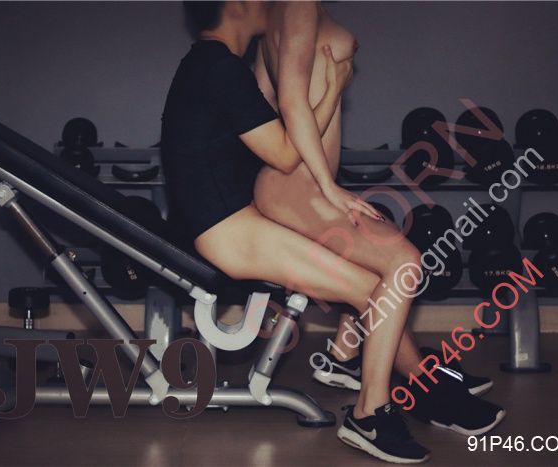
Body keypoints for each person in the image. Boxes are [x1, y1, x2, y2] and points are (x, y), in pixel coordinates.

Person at [162, 2, 503, 464]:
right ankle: (373, 412)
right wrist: (336, 96)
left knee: (371, 289)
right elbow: (287, 151)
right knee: (400, 268)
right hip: (228, 232)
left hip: (230, 222)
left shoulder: (213, 63)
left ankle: (420, 391)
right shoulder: (219, 67)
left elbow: (268, 135)